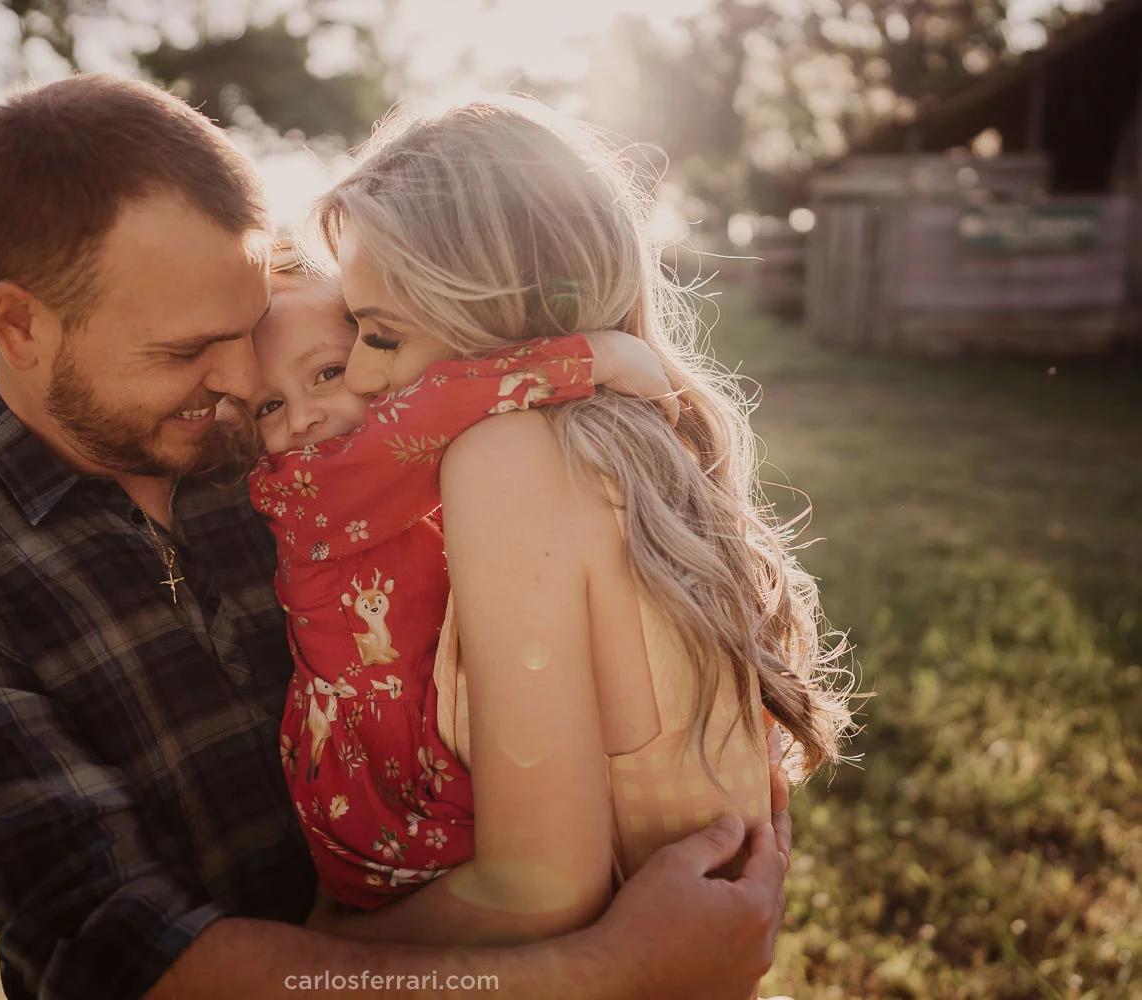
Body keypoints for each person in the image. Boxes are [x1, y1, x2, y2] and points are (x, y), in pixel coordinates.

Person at [0, 74, 794, 1000]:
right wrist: (605, 971)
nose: (246, 383)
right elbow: (140, 964)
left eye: (250, 324)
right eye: (188, 348)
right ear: (21, 326)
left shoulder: (293, 426)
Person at [289, 96, 856, 950]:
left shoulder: (511, 458)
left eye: (381, 335)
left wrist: (315, 957)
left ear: (492, 315)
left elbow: (538, 887)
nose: (365, 379)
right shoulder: (639, 440)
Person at [250, 246, 677, 911]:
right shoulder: (301, 493)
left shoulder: (436, 468)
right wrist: (587, 357)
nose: (300, 418)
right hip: (381, 791)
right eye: (267, 406)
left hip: (444, 742)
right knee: (525, 910)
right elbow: (425, 414)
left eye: (328, 373)